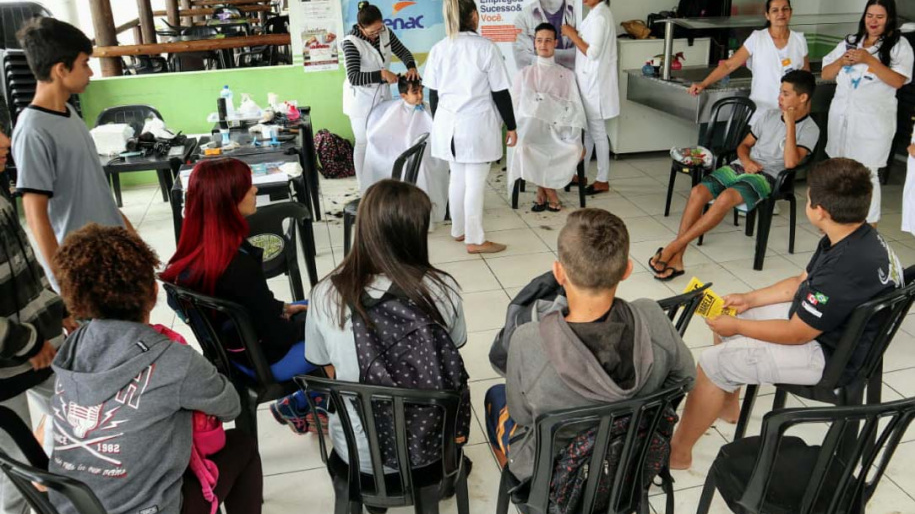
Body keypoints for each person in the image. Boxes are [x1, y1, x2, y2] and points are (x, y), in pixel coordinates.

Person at [669, 158, 904, 470]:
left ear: (820, 211)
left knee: (714, 362)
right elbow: (799, 283)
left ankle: (678, 453)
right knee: (731, 315)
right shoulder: (852, 235)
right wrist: (748, 300)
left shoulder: (843, 268)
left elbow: (797, 334)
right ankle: (727, 405)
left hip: (830, 355)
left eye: (808, 199)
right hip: (836, 330)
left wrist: (737, 325)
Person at [50, 224, 262, 514]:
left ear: (77, 298)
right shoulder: (175, 360)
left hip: (69, 508)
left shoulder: (72, 348)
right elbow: (230, 406)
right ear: (152, 291)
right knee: (242, 445)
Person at [483, 208, 696, 479]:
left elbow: (522, 415)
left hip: (557, 475)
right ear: (627, 270)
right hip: (630, 462)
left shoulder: (529, 340)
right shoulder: (652, 316)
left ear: (559, 273)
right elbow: (686, 378)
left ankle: (523, 487)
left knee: (495, 396)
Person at [305, 180, 466, 473]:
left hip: (358, 457)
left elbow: (325, 365)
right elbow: (451, 350)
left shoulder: (325, 294)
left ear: (363, 228)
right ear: (416, 233)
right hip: (430, 450)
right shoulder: (443, 288)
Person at [160, 158, 319, 435]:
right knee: (345, 325)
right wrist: (309, 323)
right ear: (227, 201)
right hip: (266, 361)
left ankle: (305, 401)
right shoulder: (237, 265)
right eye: (247, 187)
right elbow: (277, 336)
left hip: (233, 354)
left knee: (316, 307)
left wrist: (282, 308)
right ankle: (304, 403)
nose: (255, 190)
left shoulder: (194, 255)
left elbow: (248, 307)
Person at [650, 70, 820, 281]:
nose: (779, 98)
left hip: (769, 176)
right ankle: (678, 257)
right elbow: (744, 145)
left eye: (785, 94)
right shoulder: (768, 116)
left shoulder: (810, 129)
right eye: (780, 92)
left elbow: (791, 163)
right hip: (742, 166)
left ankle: (672, 248)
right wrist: (746, 161)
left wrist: (791, 124)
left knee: (726, 198)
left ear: (803, 98)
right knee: (698, 192)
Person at [12, 18, 131, 291]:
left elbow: (97, 192)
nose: (90, 72)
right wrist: (64, 282)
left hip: (111, 254)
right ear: (61, 69)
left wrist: (132, 241)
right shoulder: (33, 130)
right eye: (85, 63)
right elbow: (35, 214)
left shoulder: (69, 113)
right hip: (82, 269)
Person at [0, 129, 73, 514]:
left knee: (82, 414)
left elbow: (26, 271)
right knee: (18, 476)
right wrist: (27, 343)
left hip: (38, 348)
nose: (5, 143)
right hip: (10, 364)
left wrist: (59, 310)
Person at [425, 0, 517, 254]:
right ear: (474, 16)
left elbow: (433, 95)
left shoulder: (439, 48)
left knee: (457, 178)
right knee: (475, 183)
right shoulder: (486, 48)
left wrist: (441, 123)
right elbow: (500, 92)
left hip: (448, 126)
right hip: (476, 127)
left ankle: (459, 230)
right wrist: (511, 126)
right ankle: (475, 240)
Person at [822, 0, 914, 226]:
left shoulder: (899, 46)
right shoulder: (851, 41)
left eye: (879, 17)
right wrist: (841, 61)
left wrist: (869, 60)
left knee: (866, 175)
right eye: (869, 15)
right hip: (842, 118)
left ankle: (868, 228)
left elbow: (898, 81)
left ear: (890, 19)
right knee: (839, 171)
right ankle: (839, 223)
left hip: (873, 123)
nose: (873, 21)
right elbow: (826, 73)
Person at [687, 0, 810, 114]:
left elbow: (806, 78)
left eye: (785, 9)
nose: (781, 13)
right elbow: (729, 65)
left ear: (790, 12)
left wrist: (805, 108)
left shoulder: (799, 40)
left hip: (791, 111)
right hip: (761, 110)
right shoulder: (757, 38)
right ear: (767, 15)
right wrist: (704, 83)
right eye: (775, 10)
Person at [508, 22, 585, 212]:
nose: (543, 45)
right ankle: (551, 194)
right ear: (534, 43)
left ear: (556, 43)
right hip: (531, 130)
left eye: (548, 40)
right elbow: (516, 108)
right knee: (524, 148)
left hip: (558, 130)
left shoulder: (566, 75)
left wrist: (542, 104)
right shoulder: (524, 74)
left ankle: (541, 191)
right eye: (540, 40)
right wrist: (544, 106)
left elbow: (573, 108)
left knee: (575, 148)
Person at [342, 1, 419, 187]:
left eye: (379, 29)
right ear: (361, 27)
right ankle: (363, 187)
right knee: (363, 142)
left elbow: (403, 52)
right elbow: (354, 77)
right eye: (372, 32)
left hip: (382, 97)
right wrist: (382, 75)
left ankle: (380, 182)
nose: (377, 34)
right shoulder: (351, 42)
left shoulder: (385, 32)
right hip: (361, 99)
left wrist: (411, 67)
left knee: (382, 138)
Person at [362, 75, 449, 224]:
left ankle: (427, 211)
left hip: (425, 151)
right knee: (415, 166)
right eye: (415, 92)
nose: (420, 95)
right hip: (398, 151)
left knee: (425, 165)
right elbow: (380, 136)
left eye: (421, 91)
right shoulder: (394, 111)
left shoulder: (427, 107)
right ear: (403, 95)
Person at [561, 0, 619, 196]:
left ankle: (602, 179)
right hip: (589, 82)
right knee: (589, 131)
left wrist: (571, 34)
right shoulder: (596, 14)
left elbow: (592, 52)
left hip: (595, 84)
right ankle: (583, 173)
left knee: (598, 132)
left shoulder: (601, 17)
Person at [513, 0, 577, 71]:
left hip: (570, 80)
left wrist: (539, 52)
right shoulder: (523, 18)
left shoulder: (577, 11)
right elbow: (522, 61)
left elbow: (581, 56)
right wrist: (566, 56)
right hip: (538, 81)